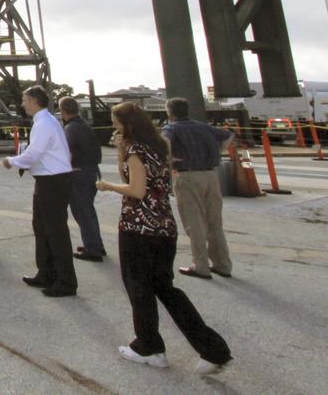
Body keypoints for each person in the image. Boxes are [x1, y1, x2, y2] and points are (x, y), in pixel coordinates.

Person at [97, 103, 232, 374]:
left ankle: (150, 347)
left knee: (139, 289)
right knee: (166, 289)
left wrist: (107, 185)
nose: (114, 127)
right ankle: (213, 349)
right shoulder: (159, 147)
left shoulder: (135, 150)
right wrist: (121, 151)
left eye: (116, 122)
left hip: (138, 229)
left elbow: (136, 190)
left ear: (126, 125)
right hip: (164, 227)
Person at [1, 86, 77, 297]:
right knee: (42, 228)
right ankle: (46, 273)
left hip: (52, 182)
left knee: (55, 232)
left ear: (34, 100)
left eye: (25, 100)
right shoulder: (46, 122)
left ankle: (66, 281)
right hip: (47, 181)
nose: (23, 103)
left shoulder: (44, 124)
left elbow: (33, 154)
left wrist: (11, 161)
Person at [162, 97, 234, 279]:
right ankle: (223, 264)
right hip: (210, 175)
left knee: (194, 222)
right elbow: (228, 135)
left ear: (169, 111)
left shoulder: (171, 128)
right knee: (214, 222)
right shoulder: (203, 127)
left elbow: (165, 143)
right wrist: (218, 152)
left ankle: (200, 265)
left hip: (187, 175)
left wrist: (168, 159)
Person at [61, 96, 107, 262]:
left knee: (82, 212)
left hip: (79, 172)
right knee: (88, 210)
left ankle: (93, 249)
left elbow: (69, 152)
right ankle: (95, 243)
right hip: (92, 170)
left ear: (63, 111)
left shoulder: (71, 129)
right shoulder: (85, 126)